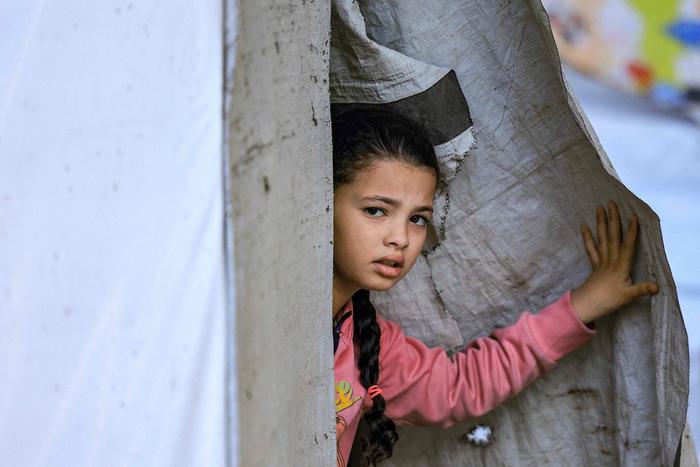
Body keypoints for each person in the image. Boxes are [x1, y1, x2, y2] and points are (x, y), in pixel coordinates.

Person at [331, 107, 659, 467]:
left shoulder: (368, 345)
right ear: (323, 203)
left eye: (417, 219)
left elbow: (459, 387)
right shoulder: (270, 315)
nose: (401, 239)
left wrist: (582, 306)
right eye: (376, 210)